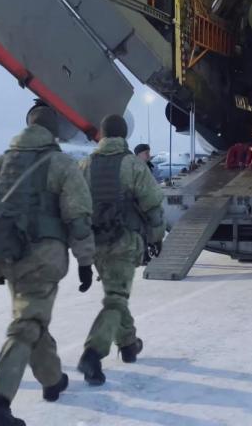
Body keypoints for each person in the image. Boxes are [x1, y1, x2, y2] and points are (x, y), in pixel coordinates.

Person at [0, 104, 95, 426]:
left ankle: (52, 380)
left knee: (32, 317)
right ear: (53, 132)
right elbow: (78, 216)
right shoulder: (61, 164)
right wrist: (85, 260)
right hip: (45, 255)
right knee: (27, 324)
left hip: (9, 254)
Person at [77, 115, 165, 386]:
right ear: (124, 136)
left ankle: (128, 345)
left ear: (101, 135)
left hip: (96, 243)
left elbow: (75, 207)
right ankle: (93, 352)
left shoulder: (85, 164)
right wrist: (156, 237)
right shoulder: (133, 165)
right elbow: (152, 204)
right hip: (125, 240)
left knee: (115, 294)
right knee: (116, 298)